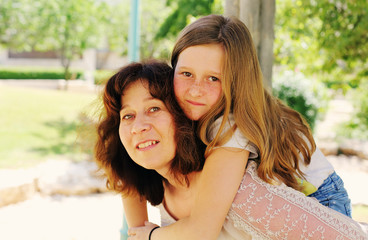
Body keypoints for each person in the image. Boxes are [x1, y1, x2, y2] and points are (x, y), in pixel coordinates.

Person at [124, 14, 352, 239]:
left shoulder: (231, 125)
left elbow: (203, 230)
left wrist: (152, 234)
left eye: (213, 78)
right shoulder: (188, 110)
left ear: (236, 81)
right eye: (186, 74)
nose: (195, 90)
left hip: (322, 201)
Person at [94, 61, 368, 240]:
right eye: (127, 116)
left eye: (154, 109)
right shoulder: (158, 185)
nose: (138, 126)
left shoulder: (239, 190)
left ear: (182, 116)